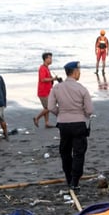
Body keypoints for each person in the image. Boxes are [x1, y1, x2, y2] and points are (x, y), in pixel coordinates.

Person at [46, 61, 94, 191]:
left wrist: (60, 114)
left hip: (63, 124)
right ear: (75, 72)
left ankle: (69, 177)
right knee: (79, 153)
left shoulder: (56, 88)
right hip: (78, 123)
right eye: (79, 71)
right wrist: (81, 113)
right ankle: (75, 181)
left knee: (65, 151)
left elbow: (50, 107)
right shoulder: (82, 89)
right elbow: (89, 110)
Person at [33, 52, 59, 129]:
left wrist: (54, 79)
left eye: (51, 58)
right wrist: (52, 78)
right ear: (45, 59)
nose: (51, 60)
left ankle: (46, 123)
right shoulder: (42, 68)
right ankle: (37, 118)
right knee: (49, 108)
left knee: (46, 108)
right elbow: (42, 79)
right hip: (43, 91)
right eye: (50, 58)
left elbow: (48, 79)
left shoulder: (46, 68)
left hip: (47, 90)